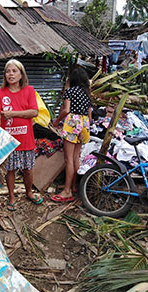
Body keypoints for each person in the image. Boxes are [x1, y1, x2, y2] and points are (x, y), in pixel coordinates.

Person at [0, 59, 43, 211]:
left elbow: (34, 112)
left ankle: (28, 192)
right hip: (9, 140)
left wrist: (12, 113)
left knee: (28, 169)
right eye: (8, 71)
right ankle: (11, 196)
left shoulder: (29, 90)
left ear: (21, 74)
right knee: (11, 170)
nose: (10, 74)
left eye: (14, 71)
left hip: (26, 139)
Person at [51, 67, 92, 202]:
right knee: (76, 158)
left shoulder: (70, 92)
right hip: (84, 124)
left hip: (73, 123)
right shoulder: (87, 94)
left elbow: (66, 110)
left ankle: (67, 191)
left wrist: (56, 121)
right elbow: (90, 117)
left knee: (68, 159)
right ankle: (74, 186)